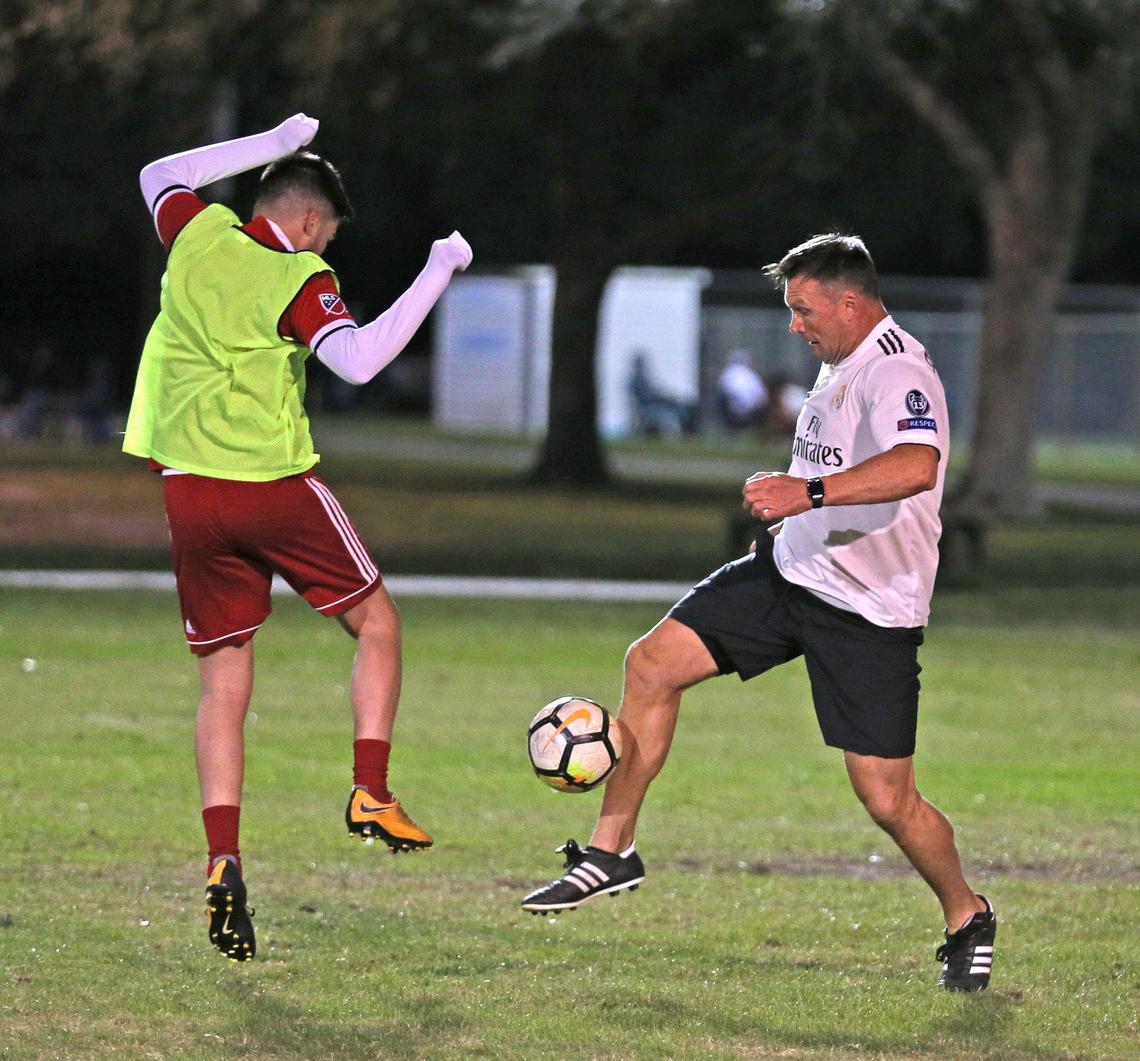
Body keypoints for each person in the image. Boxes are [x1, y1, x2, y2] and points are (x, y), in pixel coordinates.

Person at [521, 234, 997, 993]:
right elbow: (836, 458)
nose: (793, 325)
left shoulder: (897, 367)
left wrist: (804, 493)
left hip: (867, 611)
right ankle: (612, 851)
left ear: (850, 302)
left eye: (803, 309)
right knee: (650, 663)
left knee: (887, 799)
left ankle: (966, 914)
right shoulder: (840, 359)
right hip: (787, 572)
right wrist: (790, 504)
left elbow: (917, 465)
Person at [123, 113, 472, 961]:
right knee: (378, 624)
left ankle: (222, 860)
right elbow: (357, 361)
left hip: (188, 491)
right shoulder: (300, 273)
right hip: (271, 486)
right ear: (312, 220)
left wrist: (272, 139)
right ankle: (370, 792)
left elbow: (160, 168)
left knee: (223, 684)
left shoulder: (197, 233)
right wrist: (438, 268)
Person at [716, 348, 768, 431]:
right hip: (752, 410)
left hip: (734, 409)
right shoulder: (751, 374)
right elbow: (761, 394)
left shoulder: (728, 372)